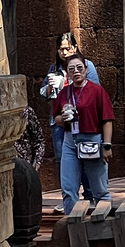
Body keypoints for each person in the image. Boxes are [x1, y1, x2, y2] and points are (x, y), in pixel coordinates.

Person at [52, 51, 114, 214]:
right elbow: (56, 117)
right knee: (68, 188)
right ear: (67, 73)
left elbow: (107, 119)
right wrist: (63, 118)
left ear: (86, 69)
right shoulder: (64, 92)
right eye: (71, 69)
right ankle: (72, 225)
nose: (76, 71)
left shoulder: (97, 91)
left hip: (92, 139)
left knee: (99, 188)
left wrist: (106, 145)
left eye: (79, 67)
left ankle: (104, 223)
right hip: (70, 140)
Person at [41, 31, 98, 169]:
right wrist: (49, 88)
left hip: (83, 119)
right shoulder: (54, 68)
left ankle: (88, 190)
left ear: (75, 48)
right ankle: (68, 189)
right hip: (60, 120)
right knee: (62, 158)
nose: (65, 52)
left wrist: (66, 84)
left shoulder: (87, 66)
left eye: (68, 48)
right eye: (62, 49)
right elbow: (43, 94)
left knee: (86, 155)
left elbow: (95, 91)